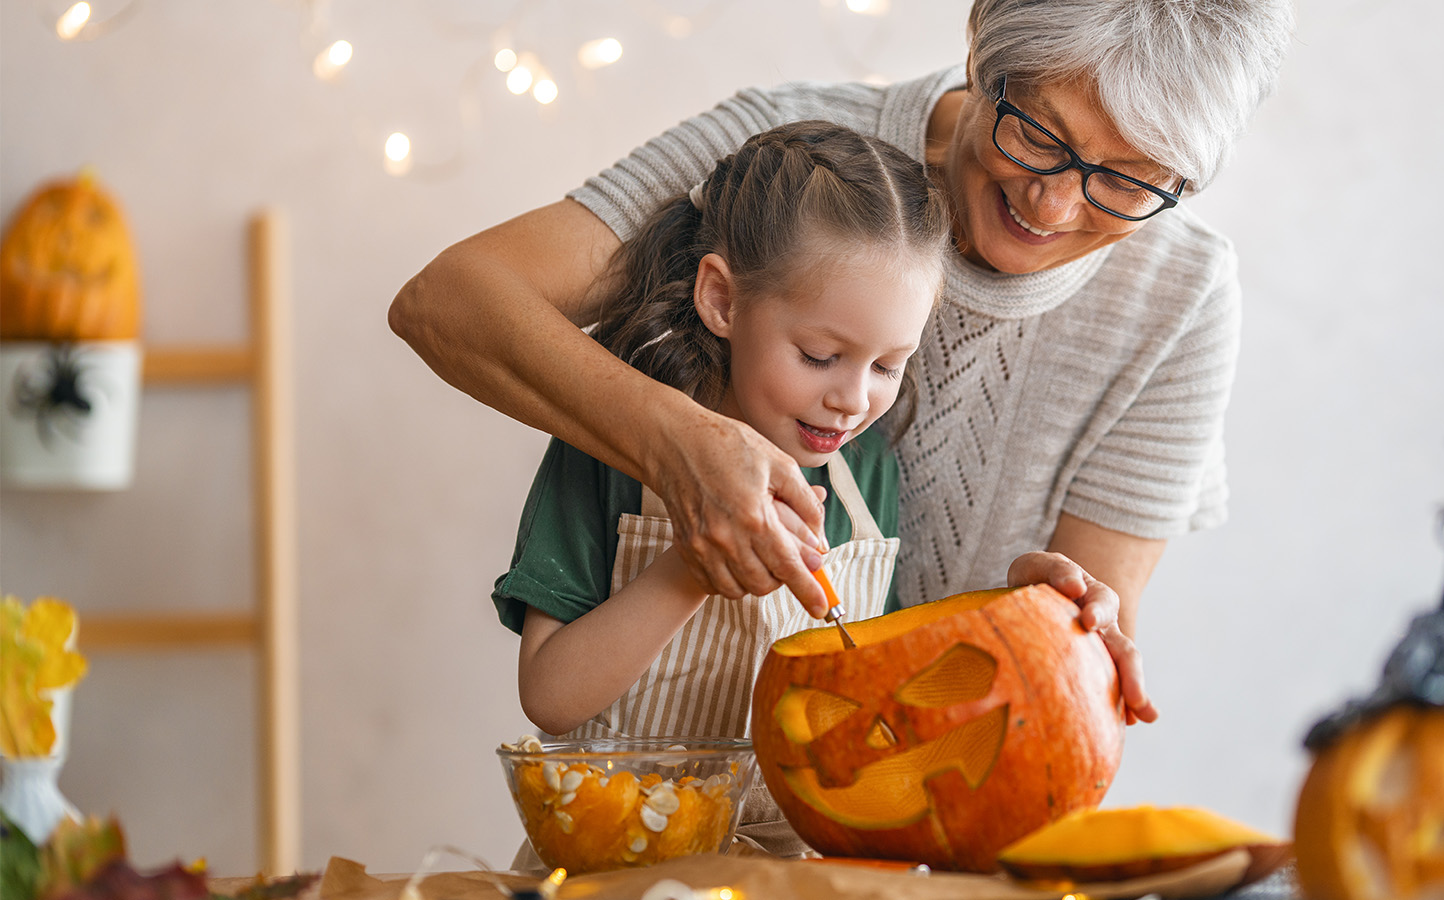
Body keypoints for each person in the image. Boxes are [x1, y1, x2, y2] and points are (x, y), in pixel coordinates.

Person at [391, 0, 1296, 726]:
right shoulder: (786, 161)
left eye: (1129, 180)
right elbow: (451, 301)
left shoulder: (1183, 299)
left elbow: (1067, 693)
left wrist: (1045, 621)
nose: (1054, 204)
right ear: (985, 48)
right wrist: (681, 449)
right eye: (1039, 133)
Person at [492, 121, 948, 856]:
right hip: (618, 865)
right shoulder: (609, 453)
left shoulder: (868, 476)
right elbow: (550, 698)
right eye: (822, 355)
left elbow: (877, 693)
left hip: (797, 870)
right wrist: (692, 565)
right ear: (723, 301)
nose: (853, 399)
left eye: (889, 366)